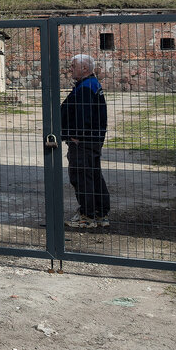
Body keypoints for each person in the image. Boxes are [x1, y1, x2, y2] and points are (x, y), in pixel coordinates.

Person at [61, 53, 110, 229]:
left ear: (84, 68)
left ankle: (87, 216)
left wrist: (75, 135)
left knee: (82, 177)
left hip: (83, 142)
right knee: (93, 175)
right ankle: (100, 213)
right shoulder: (90, 84)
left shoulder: (86, 87)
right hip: (92, 140)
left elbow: (84, 116)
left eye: (73, 66)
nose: (70, 68)